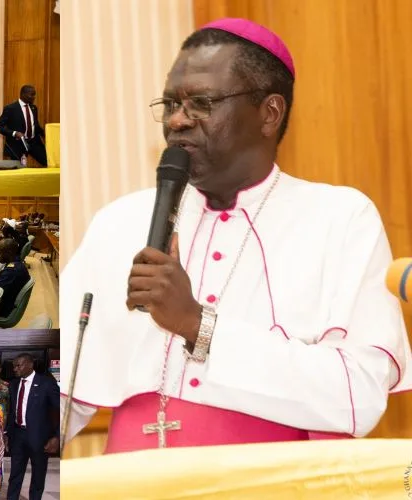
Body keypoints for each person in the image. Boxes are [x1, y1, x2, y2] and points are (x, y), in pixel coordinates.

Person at [60, 17, 412, 453]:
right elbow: (65, 386)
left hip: (270, 478)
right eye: (170, 104)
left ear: (269, 113)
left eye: (201, 103)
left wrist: (197, 324)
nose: (177, 121)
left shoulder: (340, 218)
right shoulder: (118, 221)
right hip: (127, 477)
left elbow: (359, 397)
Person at [6, 354, 59, 500]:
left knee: (38, 475)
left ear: (30, 365)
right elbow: (12, 411)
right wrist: (8, 433)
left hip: (39, 437)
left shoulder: (46, 383)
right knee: (15, 474)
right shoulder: (14, 384)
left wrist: (57, 436)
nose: (15, 369)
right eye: (14, 366)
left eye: (19, 365)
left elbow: (62, 410)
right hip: (18, 436)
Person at [0, 85, 47, 166]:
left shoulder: (34, 108)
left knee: (47, 162)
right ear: (23, 94)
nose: (34, 97)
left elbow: (36, 126)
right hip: (17, 144)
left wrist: (47, 135)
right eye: (32, 94)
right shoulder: (10, 108)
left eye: (34, 94)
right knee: (17, 168)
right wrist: (14, 133)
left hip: (34, 142)